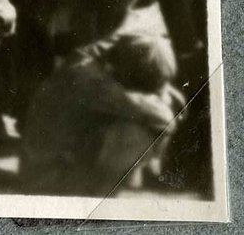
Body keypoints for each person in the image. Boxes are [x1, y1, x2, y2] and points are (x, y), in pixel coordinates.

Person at [20, 31, 183, 196]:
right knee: (136, 132)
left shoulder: (95, 60)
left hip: (54, 161)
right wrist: (163, 97)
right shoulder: (95, 84)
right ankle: (98, 194)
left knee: (140, 119)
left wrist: (163, 92)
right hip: (49, 181)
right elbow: (164, 117)